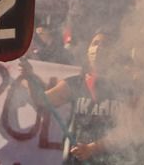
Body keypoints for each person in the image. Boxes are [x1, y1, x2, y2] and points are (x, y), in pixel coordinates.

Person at [19, 29, 134, 164]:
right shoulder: (76, 83)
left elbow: (131, 130)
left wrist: (93, 148)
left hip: (113, 160)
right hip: (78, 159)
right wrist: (30, 77)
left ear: (115, 53)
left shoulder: (126, 88)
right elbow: (41, 102)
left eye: (105, 44)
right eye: (95, 43)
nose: (98, 49)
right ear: (88, 50)